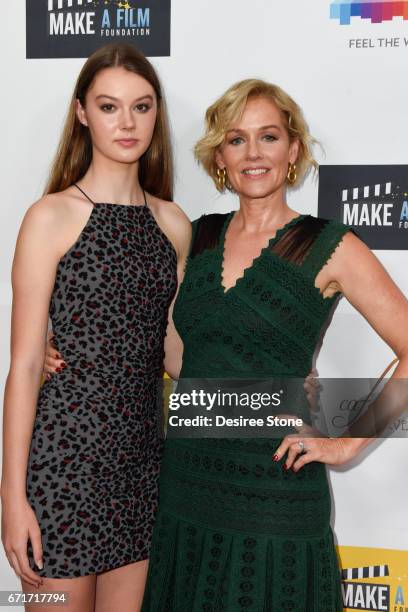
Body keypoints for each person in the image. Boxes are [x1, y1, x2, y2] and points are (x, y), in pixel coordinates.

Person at [138, 79, 408, 611]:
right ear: (220, 156)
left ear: (293, 151)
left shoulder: (330, 246)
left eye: (268, 137)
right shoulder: (197, 237)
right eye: (236, 140)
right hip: (187, 482)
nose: (253, 153)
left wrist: (344, 443)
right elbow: (176, 352)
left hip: (275, 493)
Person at [0, 43, 190, 612]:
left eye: (141, 106)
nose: (126, 122)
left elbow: (176, 357)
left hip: (142, 470)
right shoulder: (50, 217)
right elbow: (27, 365)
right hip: (62, 470)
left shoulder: (173, 224)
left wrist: (267, 387)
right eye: (109, 107)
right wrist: (12, 496)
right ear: (82, 112)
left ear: (157, 116)